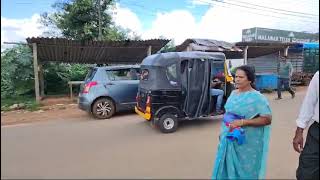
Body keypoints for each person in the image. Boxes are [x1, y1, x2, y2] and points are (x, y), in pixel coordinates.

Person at [212, 65, 272, 179]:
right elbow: (228, 114)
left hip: (247, 143)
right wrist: (223, 133)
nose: (237, 79)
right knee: (226, 169)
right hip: (228, 137)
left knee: (246, 171)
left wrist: (243, 122)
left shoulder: (257, 98)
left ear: (249, 79)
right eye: (236, 76)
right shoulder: (233, 94)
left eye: (241, 77)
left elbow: (267, 119)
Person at [293, 71, 319, 180]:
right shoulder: (318, 75)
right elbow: (309, 102)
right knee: (306, 172)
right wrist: (299, 131)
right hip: (317, 132)